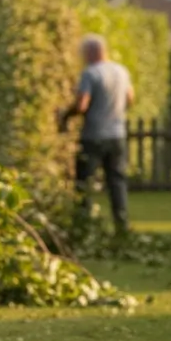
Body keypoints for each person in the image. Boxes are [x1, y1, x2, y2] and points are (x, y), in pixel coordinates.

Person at [58, 34, 134, 232]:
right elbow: (130, 99)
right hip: (117, 134)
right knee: (117, 181)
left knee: (84, 183)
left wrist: (65, 115)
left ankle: (84, 227)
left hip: (93, 135)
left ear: (90, 53)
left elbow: (82, 104)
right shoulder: (121, 71)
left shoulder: (90, 73)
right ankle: (122, 225)